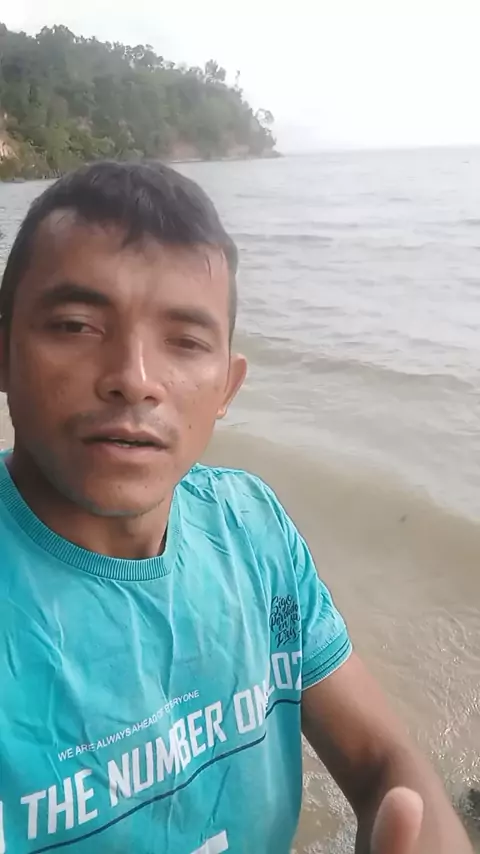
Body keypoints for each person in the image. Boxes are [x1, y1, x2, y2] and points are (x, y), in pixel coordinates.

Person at [0, 161, 471, 854]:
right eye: (76, 325)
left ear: (227, 385)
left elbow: (381, 760)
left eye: (186, 342)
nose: (134, 379)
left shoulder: (251, 528)